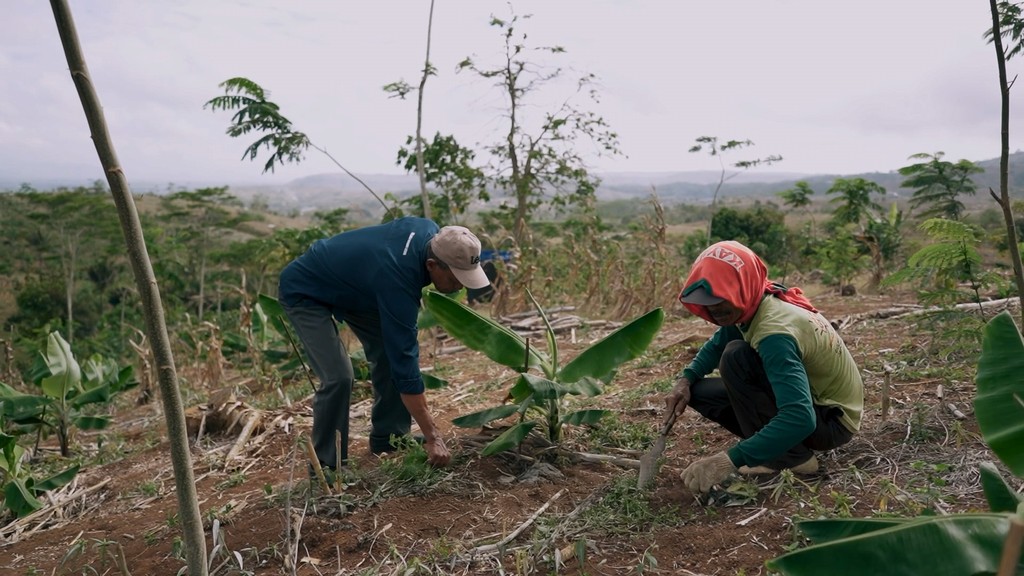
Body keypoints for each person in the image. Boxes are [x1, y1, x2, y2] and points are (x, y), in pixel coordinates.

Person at [278, 217, 491, 471]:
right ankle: (327, 466)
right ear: (432, 265)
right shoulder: (398, 278)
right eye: (456, 279)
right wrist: (433, 437)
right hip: (306, 290)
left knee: (389, 356)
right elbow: (405, 361)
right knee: (338, 377)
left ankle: (389, 438)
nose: (460, 286)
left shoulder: (432, 235)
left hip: (360, 289)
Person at [663, 241, 864, 494]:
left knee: (737, 357)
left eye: (720, 299)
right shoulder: (754, 302)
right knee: (701, 391)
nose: (714, 309)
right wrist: (686, 379)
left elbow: (800, 417)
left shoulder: (774, 334)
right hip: (816, 407)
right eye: (707, 301)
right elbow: (717, 344)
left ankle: (793, 458)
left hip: (831, 421)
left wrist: (729, 460)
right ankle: (780, 448)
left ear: (742, 287)